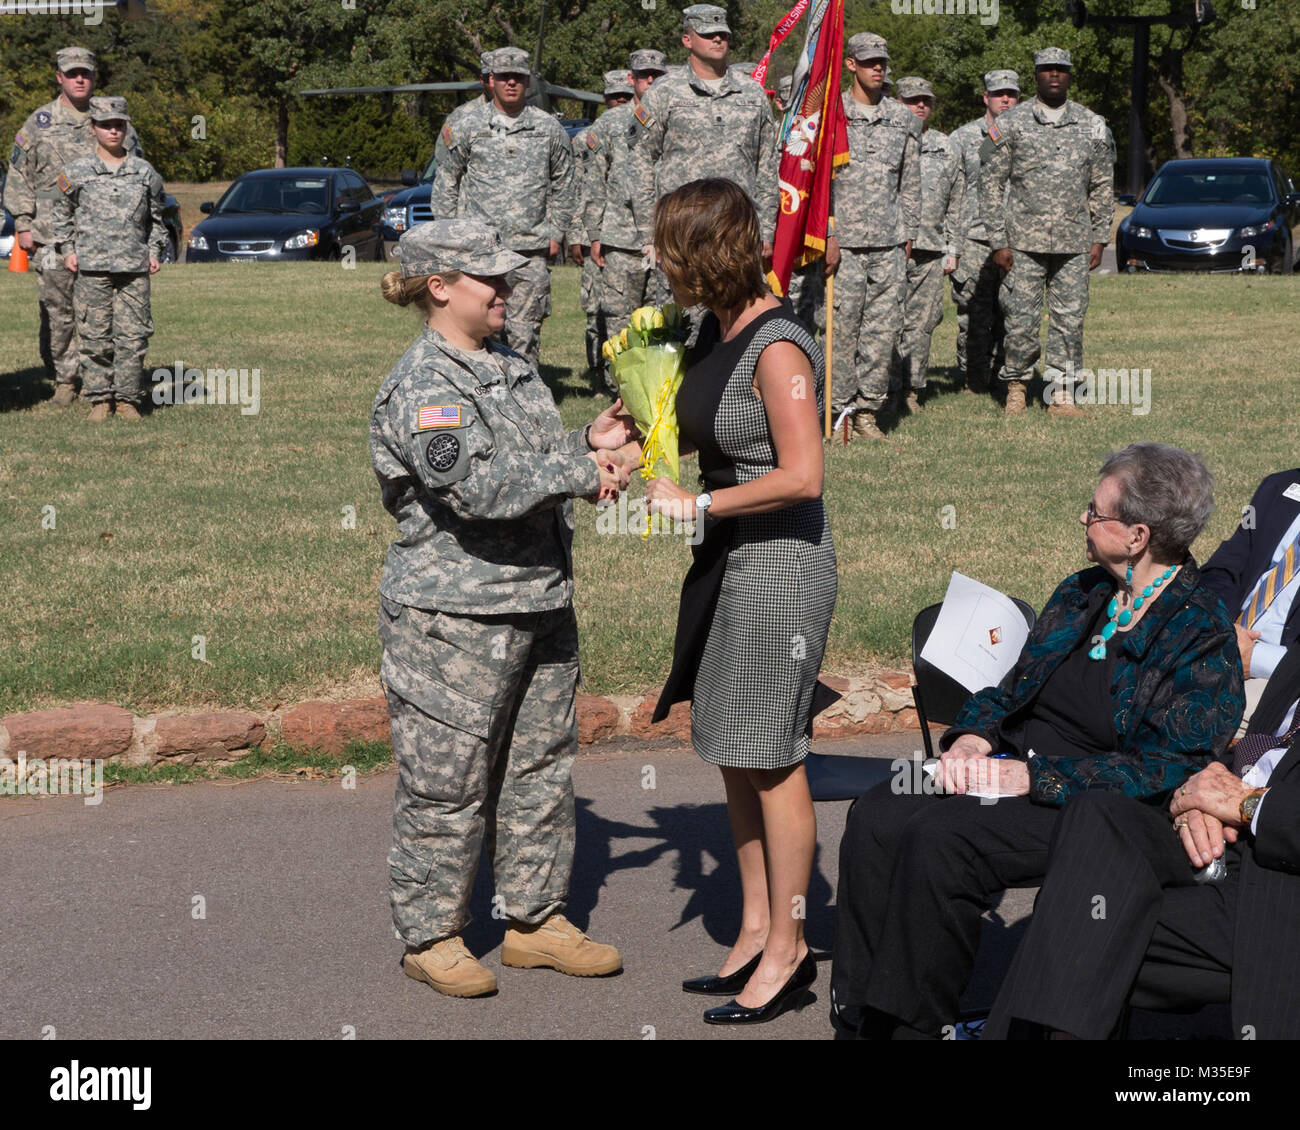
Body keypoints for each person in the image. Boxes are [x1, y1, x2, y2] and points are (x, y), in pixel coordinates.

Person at [830, 442, 1244, 1038]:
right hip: (1008, 763)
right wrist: (972, 737)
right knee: (880, 810)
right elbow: (1011, 688)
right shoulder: (1082, 593)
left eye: (1095, 511)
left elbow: (1171, 766)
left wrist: (1035, 777)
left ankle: (912, 1025)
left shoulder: (1199, 628)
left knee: (943, 839)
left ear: (1137, 536)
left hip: (1093, 804)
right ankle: (862, 1010)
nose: (1082, 518)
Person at [371, 218, 636, 998]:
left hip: (539, 599)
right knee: (447, 782)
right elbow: (481, 489)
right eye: (488, 276)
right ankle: (432, 935)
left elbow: (531, 456)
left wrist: (588, 435)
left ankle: (535, 921)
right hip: (454, 619)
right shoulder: (425, 386)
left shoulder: (508, 366)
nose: (506, 287)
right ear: (439, 286)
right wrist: (586, 471)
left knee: (540, 769)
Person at [641, 179, 837, 1025]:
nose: (658, 265)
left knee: (773, 752)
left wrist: (698, 504)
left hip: (780, 564)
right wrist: (634, 431)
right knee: (731, 744)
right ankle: (756, 925)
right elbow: (710, 425)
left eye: (667, 250)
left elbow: (803, 475)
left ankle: (791, 949)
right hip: (730, 559)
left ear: (703, 252)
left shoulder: (780, 344)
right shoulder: (719, 329)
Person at [985, 650, 1300, 1040]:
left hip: (1278, 876)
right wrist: (1201, 793)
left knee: (1082, 917)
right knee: (1095, 815)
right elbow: (1264, 750)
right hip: (1229, 835)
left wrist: (1247, 804)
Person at [4, 46, 143, 407]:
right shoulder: (40, 124)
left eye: (86, 73)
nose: (80, 78)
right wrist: (22, 224)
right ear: (59, 77)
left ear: (95, 77)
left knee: (104, 311)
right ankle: (65, 380)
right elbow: (19, 176)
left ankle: (104, 381)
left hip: (104, 237)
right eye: (72, 73)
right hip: (50, 235)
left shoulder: (113, 121)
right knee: (58, 309)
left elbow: (137, 176)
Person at [980, 47, 1115, 418]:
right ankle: (1017, 387)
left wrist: (1099, 237)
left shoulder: (1092, 124)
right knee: (1020, 320)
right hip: (1022, 243)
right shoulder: (1010, 123)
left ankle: (1061, 394)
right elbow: (989, 183)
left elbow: (1103, 185)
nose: (1054, 75)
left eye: (1061, 70)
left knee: (1069, 321)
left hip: (1073, 241)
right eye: (1046, 70)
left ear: (1070, 76)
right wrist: (998, 240)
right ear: (1036, 75)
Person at [625, 5, 780, 308]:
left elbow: (767, 165)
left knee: (738, 317)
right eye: (708, 34)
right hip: (683, 231)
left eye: (723, 33)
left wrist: (766, 228)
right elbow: (641, 160)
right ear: (687, 39)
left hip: (736, 230)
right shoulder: (665, 92)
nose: (717, 39)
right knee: (682, 325)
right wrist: (649, 234)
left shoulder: (752, 93)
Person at [431, 47, 576, 366]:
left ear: (527, 82)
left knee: (525, 335)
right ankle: (483, 400)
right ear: (491, 80)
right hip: (479, 252)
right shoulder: (468, 124)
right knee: (479, 332)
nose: (512, 83)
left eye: (519, 78)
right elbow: (447, 181)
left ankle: (524, 405)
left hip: (529, 253)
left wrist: (556, 232)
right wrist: (448, 236)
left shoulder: (548, 128)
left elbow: (566, 182)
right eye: (504, 77)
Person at [823, 32, 920, 441]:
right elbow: (818, 185)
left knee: (883, 332)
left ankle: (868, 410)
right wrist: (827, 234)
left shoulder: (902, 120)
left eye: (882, 61)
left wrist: (909, 234)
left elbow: (910, 183)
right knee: (842, 330)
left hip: (888, 242)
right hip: (842, 243)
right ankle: (837, 410)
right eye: (868, 62)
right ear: (851, 65)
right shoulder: (832, 115)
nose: (877, 68)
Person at [51, 96, 165, 423]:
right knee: (94, 335)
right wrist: (67, 250)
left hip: (133, 267)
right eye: (106, 125)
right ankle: (100, 399)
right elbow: (60, 214)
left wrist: (154, 251)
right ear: (93, 128)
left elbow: (158, 218)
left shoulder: (144, 172)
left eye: (119, 124)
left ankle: (128, 399)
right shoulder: (76, 172)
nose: (113, 131)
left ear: (126, 127)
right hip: (92, 265)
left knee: (133, 336)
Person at [1199, 468, 1300, 735]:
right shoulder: (1280, 486)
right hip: (1223, 638)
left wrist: (1253, 657)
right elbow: (1223, 568)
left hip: (1281, 678)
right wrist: (1219, 627)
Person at [587, 49, 668, 354]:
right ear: (632, 79)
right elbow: (595, 180)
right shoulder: (611, 122)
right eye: (645, 74)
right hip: (621, 237)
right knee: (620, 318)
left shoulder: (676, 113)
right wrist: (593, 234)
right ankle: (619, 389)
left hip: (666, 236)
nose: (651, 80)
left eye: (657, 74)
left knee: (664, 319)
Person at [891, 77, 963, 415]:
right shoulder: (887, 137)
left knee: (922, 324)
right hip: (889, 246)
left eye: (926, 101)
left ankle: (911, 388)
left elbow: (956, 201)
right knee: (886, 320)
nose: (920, 106)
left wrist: (953, 247)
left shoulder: (946, 146)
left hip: (931, 249)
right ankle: (882, 387)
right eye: (912, 100)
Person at [947, 70, 1019, 396]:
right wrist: (952, 243)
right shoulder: (962, 139)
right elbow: (951, 191)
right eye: (999, 93)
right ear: (985, 97)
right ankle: (973, 379)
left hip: (1016, 238)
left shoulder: (1027, 135)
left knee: (1013, 312)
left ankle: (1004, 378)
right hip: (975, 238)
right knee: (974, 314)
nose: (1006, 99)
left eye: (1012, 94)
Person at [571, 70, 634, 381]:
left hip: (623, 235)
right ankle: (598, 372)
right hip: (594, 234)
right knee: (595, 310)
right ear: (605, 99)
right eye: (614, 97)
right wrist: (576, 235)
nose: (621, 101)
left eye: (626, 95)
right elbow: (579, 189)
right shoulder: (586, 138)